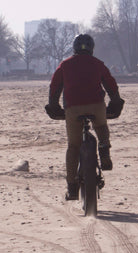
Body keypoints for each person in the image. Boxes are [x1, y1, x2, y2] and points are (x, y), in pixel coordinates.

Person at [46, 34, 124, 201]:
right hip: (96, 105)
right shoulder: (98, 64)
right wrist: (115, 102)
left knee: (73, 146)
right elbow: (110, 84)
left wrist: (54, 106)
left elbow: (55, 87)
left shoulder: (65, 65)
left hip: (73, 109)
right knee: (101, 126)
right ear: (92, 48)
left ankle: (72, 187)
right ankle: (104, 150)